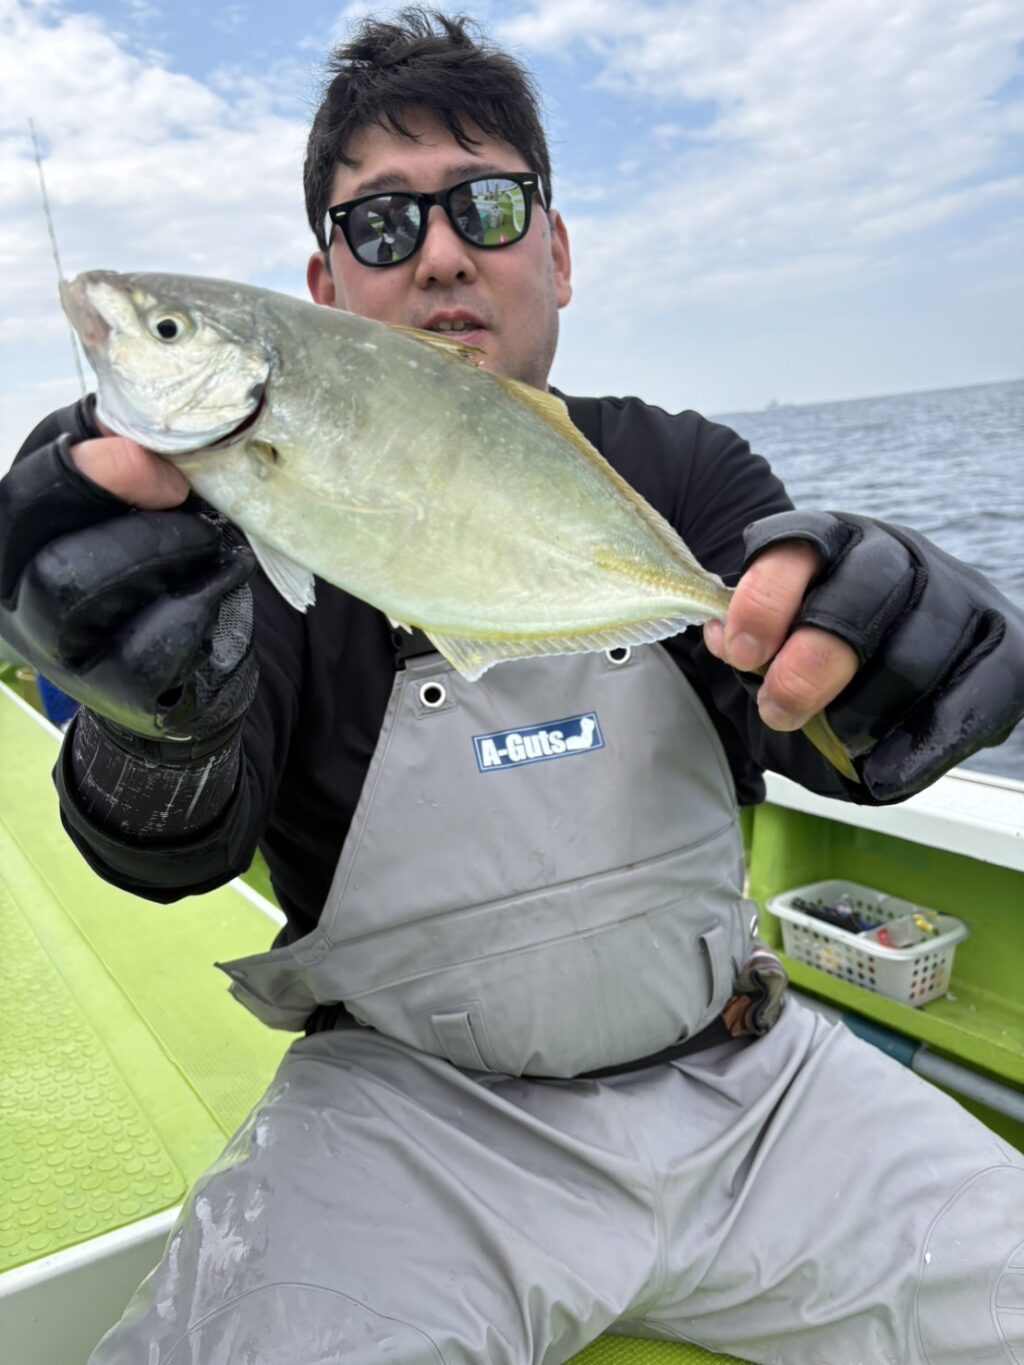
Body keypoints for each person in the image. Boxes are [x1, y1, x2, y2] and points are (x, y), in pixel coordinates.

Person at [1, 9, 1022, 1364]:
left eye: (486, 206)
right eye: (380, 226)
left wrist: (898, 638)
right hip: (406, 1127)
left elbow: (806, 712)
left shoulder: (683, 471)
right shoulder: (231, 527)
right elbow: (171, 852)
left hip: (757, 1093)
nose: (438, 253)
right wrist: (152, 725)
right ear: (323, 286)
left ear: (558, 251)